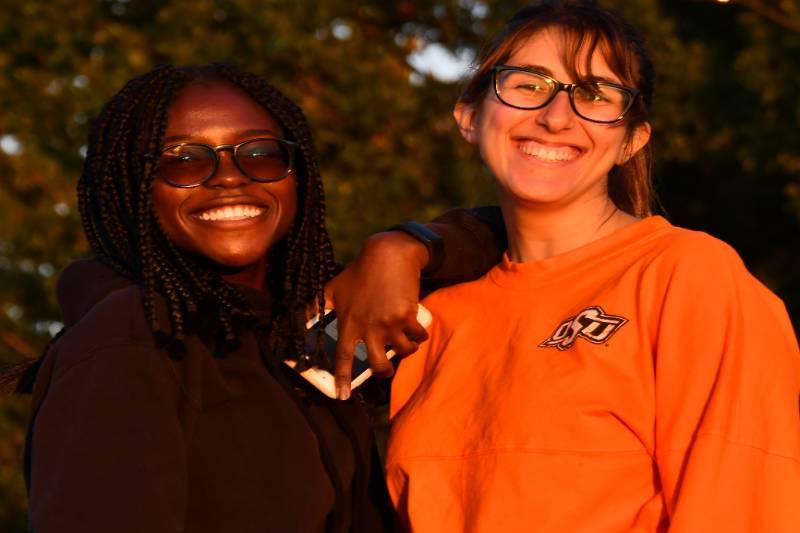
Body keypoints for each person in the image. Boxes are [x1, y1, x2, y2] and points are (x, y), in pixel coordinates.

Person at [335, 2, 800, 531]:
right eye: (530, 84)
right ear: (469, 117)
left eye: (596, 95)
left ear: (631, 141)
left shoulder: (687, 277)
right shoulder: (429, 311)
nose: (557, 116)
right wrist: (398, 245)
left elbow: (743, 508)